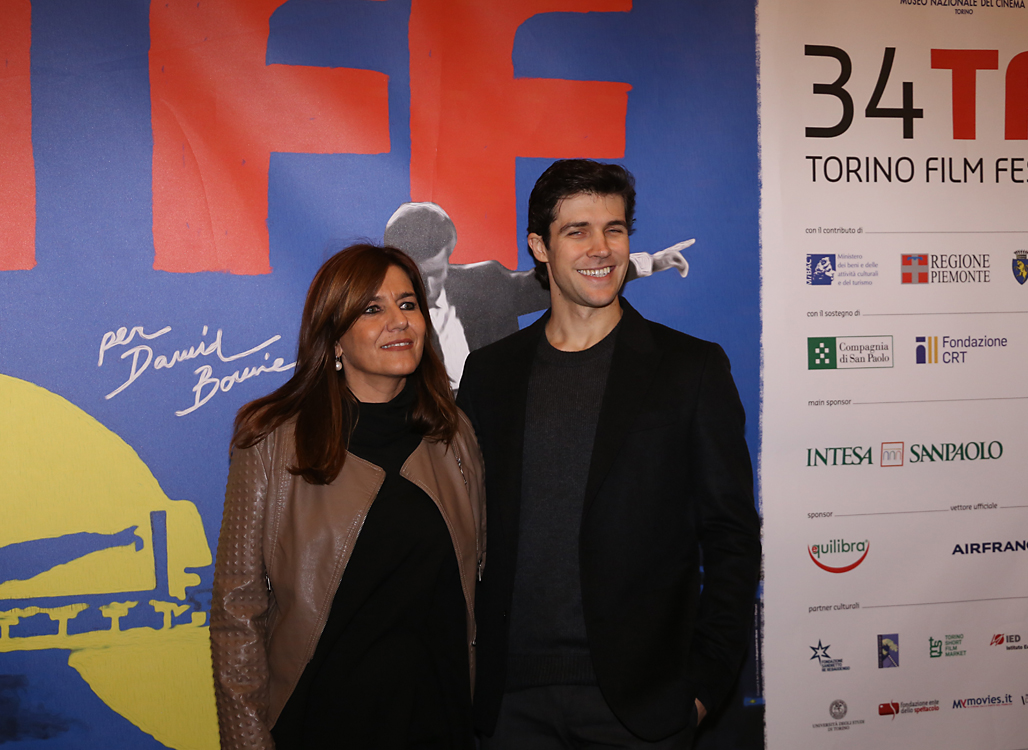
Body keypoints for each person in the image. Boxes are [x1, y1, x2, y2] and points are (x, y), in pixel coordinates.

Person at [457, 160, 760, 749]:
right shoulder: (489, 373)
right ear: (539, 247)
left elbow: (732, 535)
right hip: (507, 708)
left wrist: (702, 686)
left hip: (642, 710)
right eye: (578, 231)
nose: (602, 249)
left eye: (615, 229)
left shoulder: (690, 369)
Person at [210, 244, 486, 750]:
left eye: (408, 305)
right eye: (372, 309)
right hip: (320, 722)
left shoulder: (453, 434)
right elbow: (236, 611)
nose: (399, 322)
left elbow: (479, 584)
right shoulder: (272, 440)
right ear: (334, 337)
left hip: (440, 721)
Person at [384, 201, 692, 390]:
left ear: (449, 257)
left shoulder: (487, 282)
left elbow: (562, 281)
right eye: (417, 273)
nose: (426, 283)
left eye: (436, 272)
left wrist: (649, 262)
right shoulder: (382, 314)